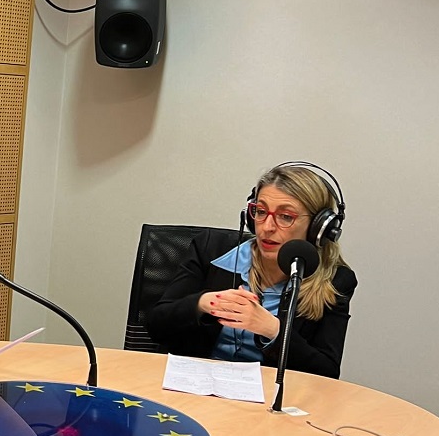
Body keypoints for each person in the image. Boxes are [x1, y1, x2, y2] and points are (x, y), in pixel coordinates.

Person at [143, 162, 357, 378]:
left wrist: (273, 330)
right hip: (196, 384)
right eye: (261, 212)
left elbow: (326, 372)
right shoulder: (210, 250)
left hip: (270, 393)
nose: (267, 227)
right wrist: (201, 304)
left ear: (318, 228)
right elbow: (156, 325)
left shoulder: (337, 281)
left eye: (286, 216)